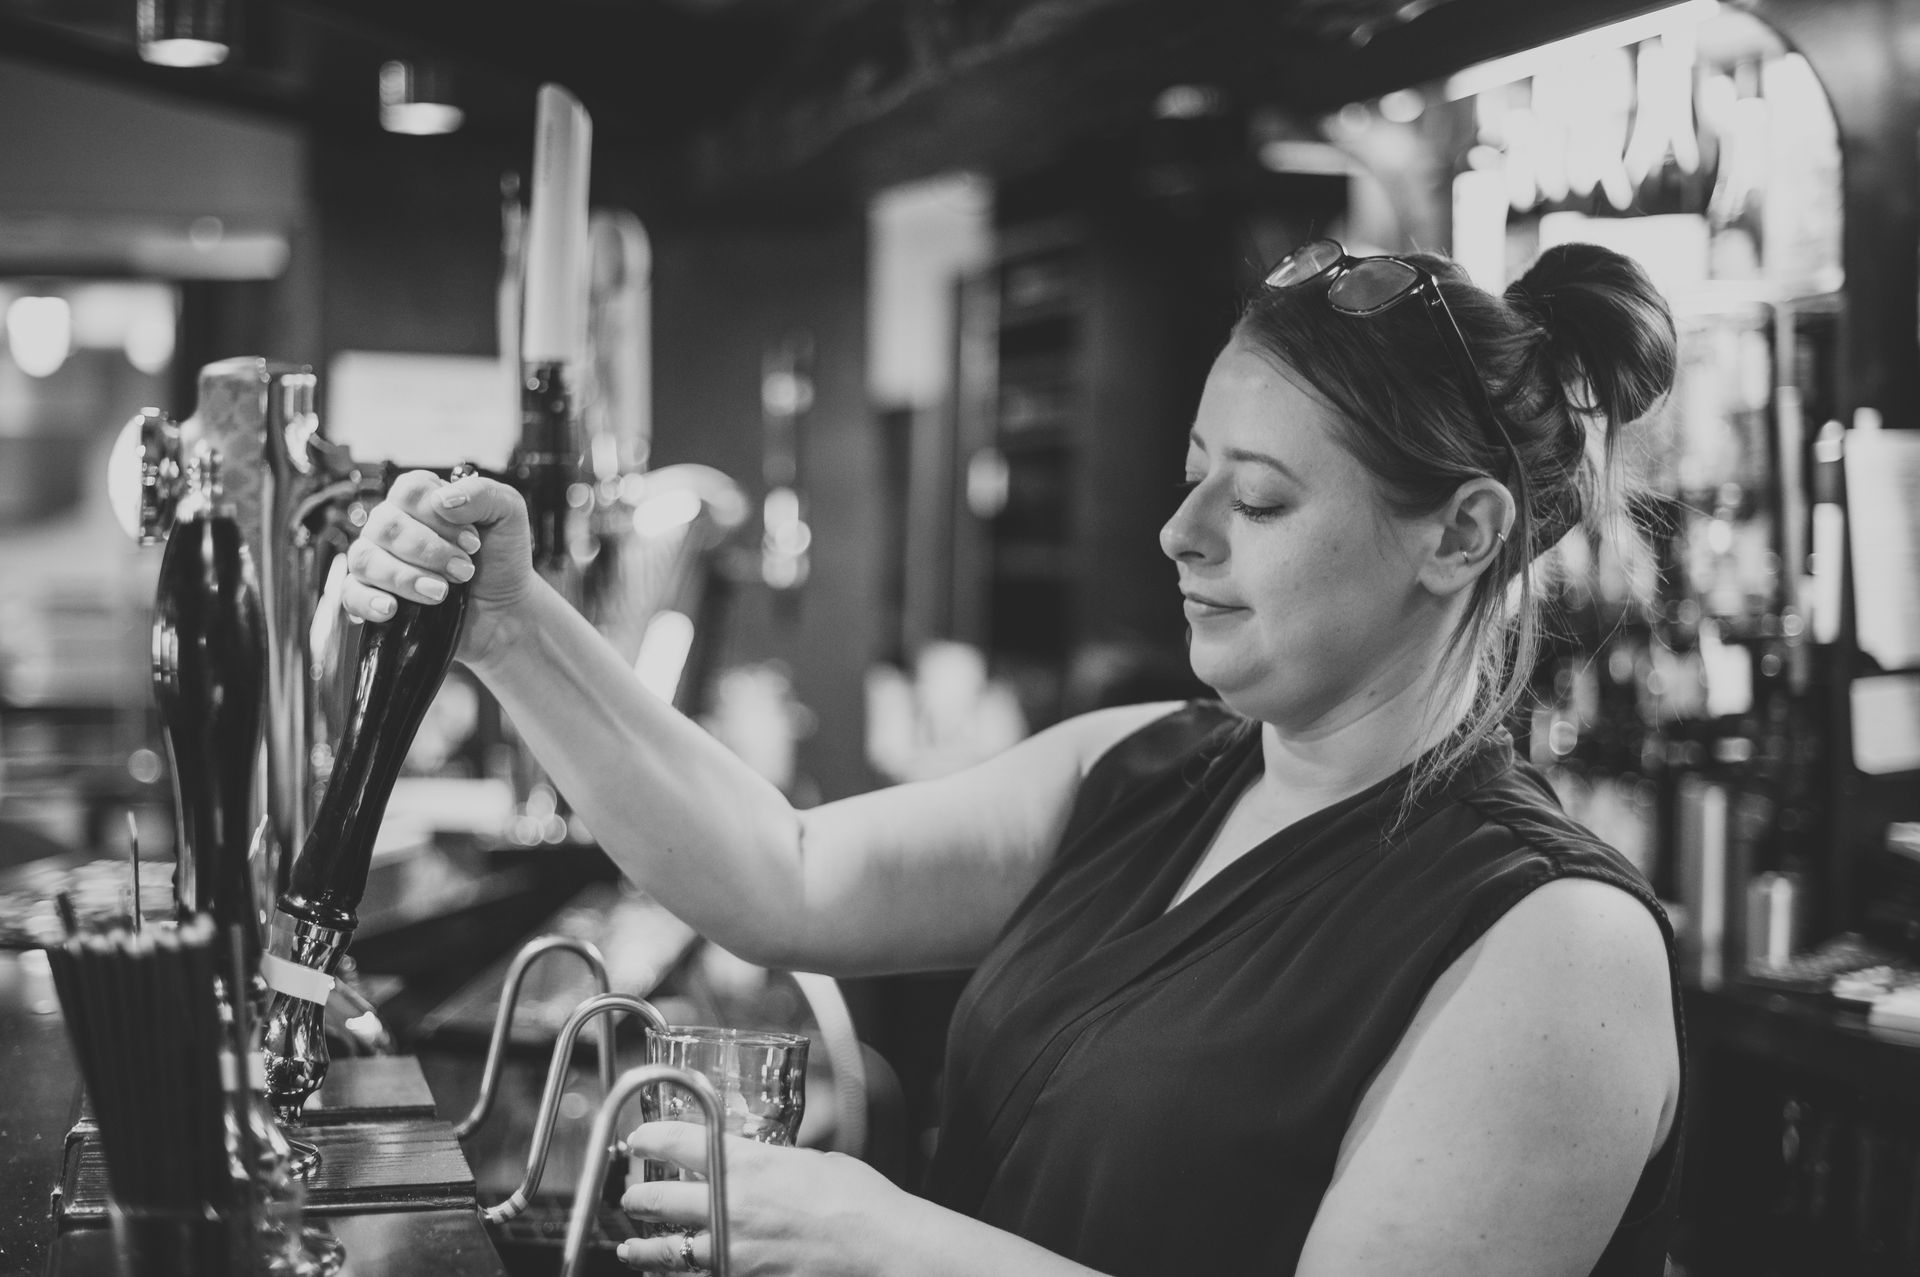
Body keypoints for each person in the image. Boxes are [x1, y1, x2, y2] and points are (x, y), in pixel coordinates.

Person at [342, 238, 1684, 1277]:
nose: (1182, 530)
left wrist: (894, 1241)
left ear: (1461, 535)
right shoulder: (1146, 767)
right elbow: (784, 871)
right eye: (1194, 470)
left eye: (1261, 498)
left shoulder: (1555, 943)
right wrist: (512, 626)